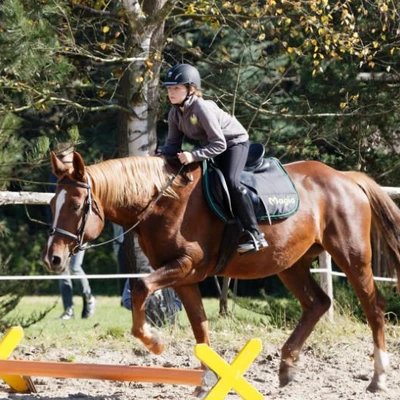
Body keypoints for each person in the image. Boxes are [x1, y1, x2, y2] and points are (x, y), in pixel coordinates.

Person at [158, 63, 268, 253]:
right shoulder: (175, 113)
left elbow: (219, 144)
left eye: (176, 87)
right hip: (211, 147)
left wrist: (193, 156)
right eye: (169, 88)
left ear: (190, 89)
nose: (171, 92)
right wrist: (157, 156)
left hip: (234, 143)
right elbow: (172, 146)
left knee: (231, 181)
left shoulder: (201, 108)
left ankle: (255, 234)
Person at [49, 142, 96, 320]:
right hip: (60, 232)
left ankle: (89, 299)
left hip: (79, 231)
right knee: (62, 269)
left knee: (75, 267)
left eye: (65, 159)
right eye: (59, 160)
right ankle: (68, 309)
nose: (61, 164)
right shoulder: (55, 178)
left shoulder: (81, 175)